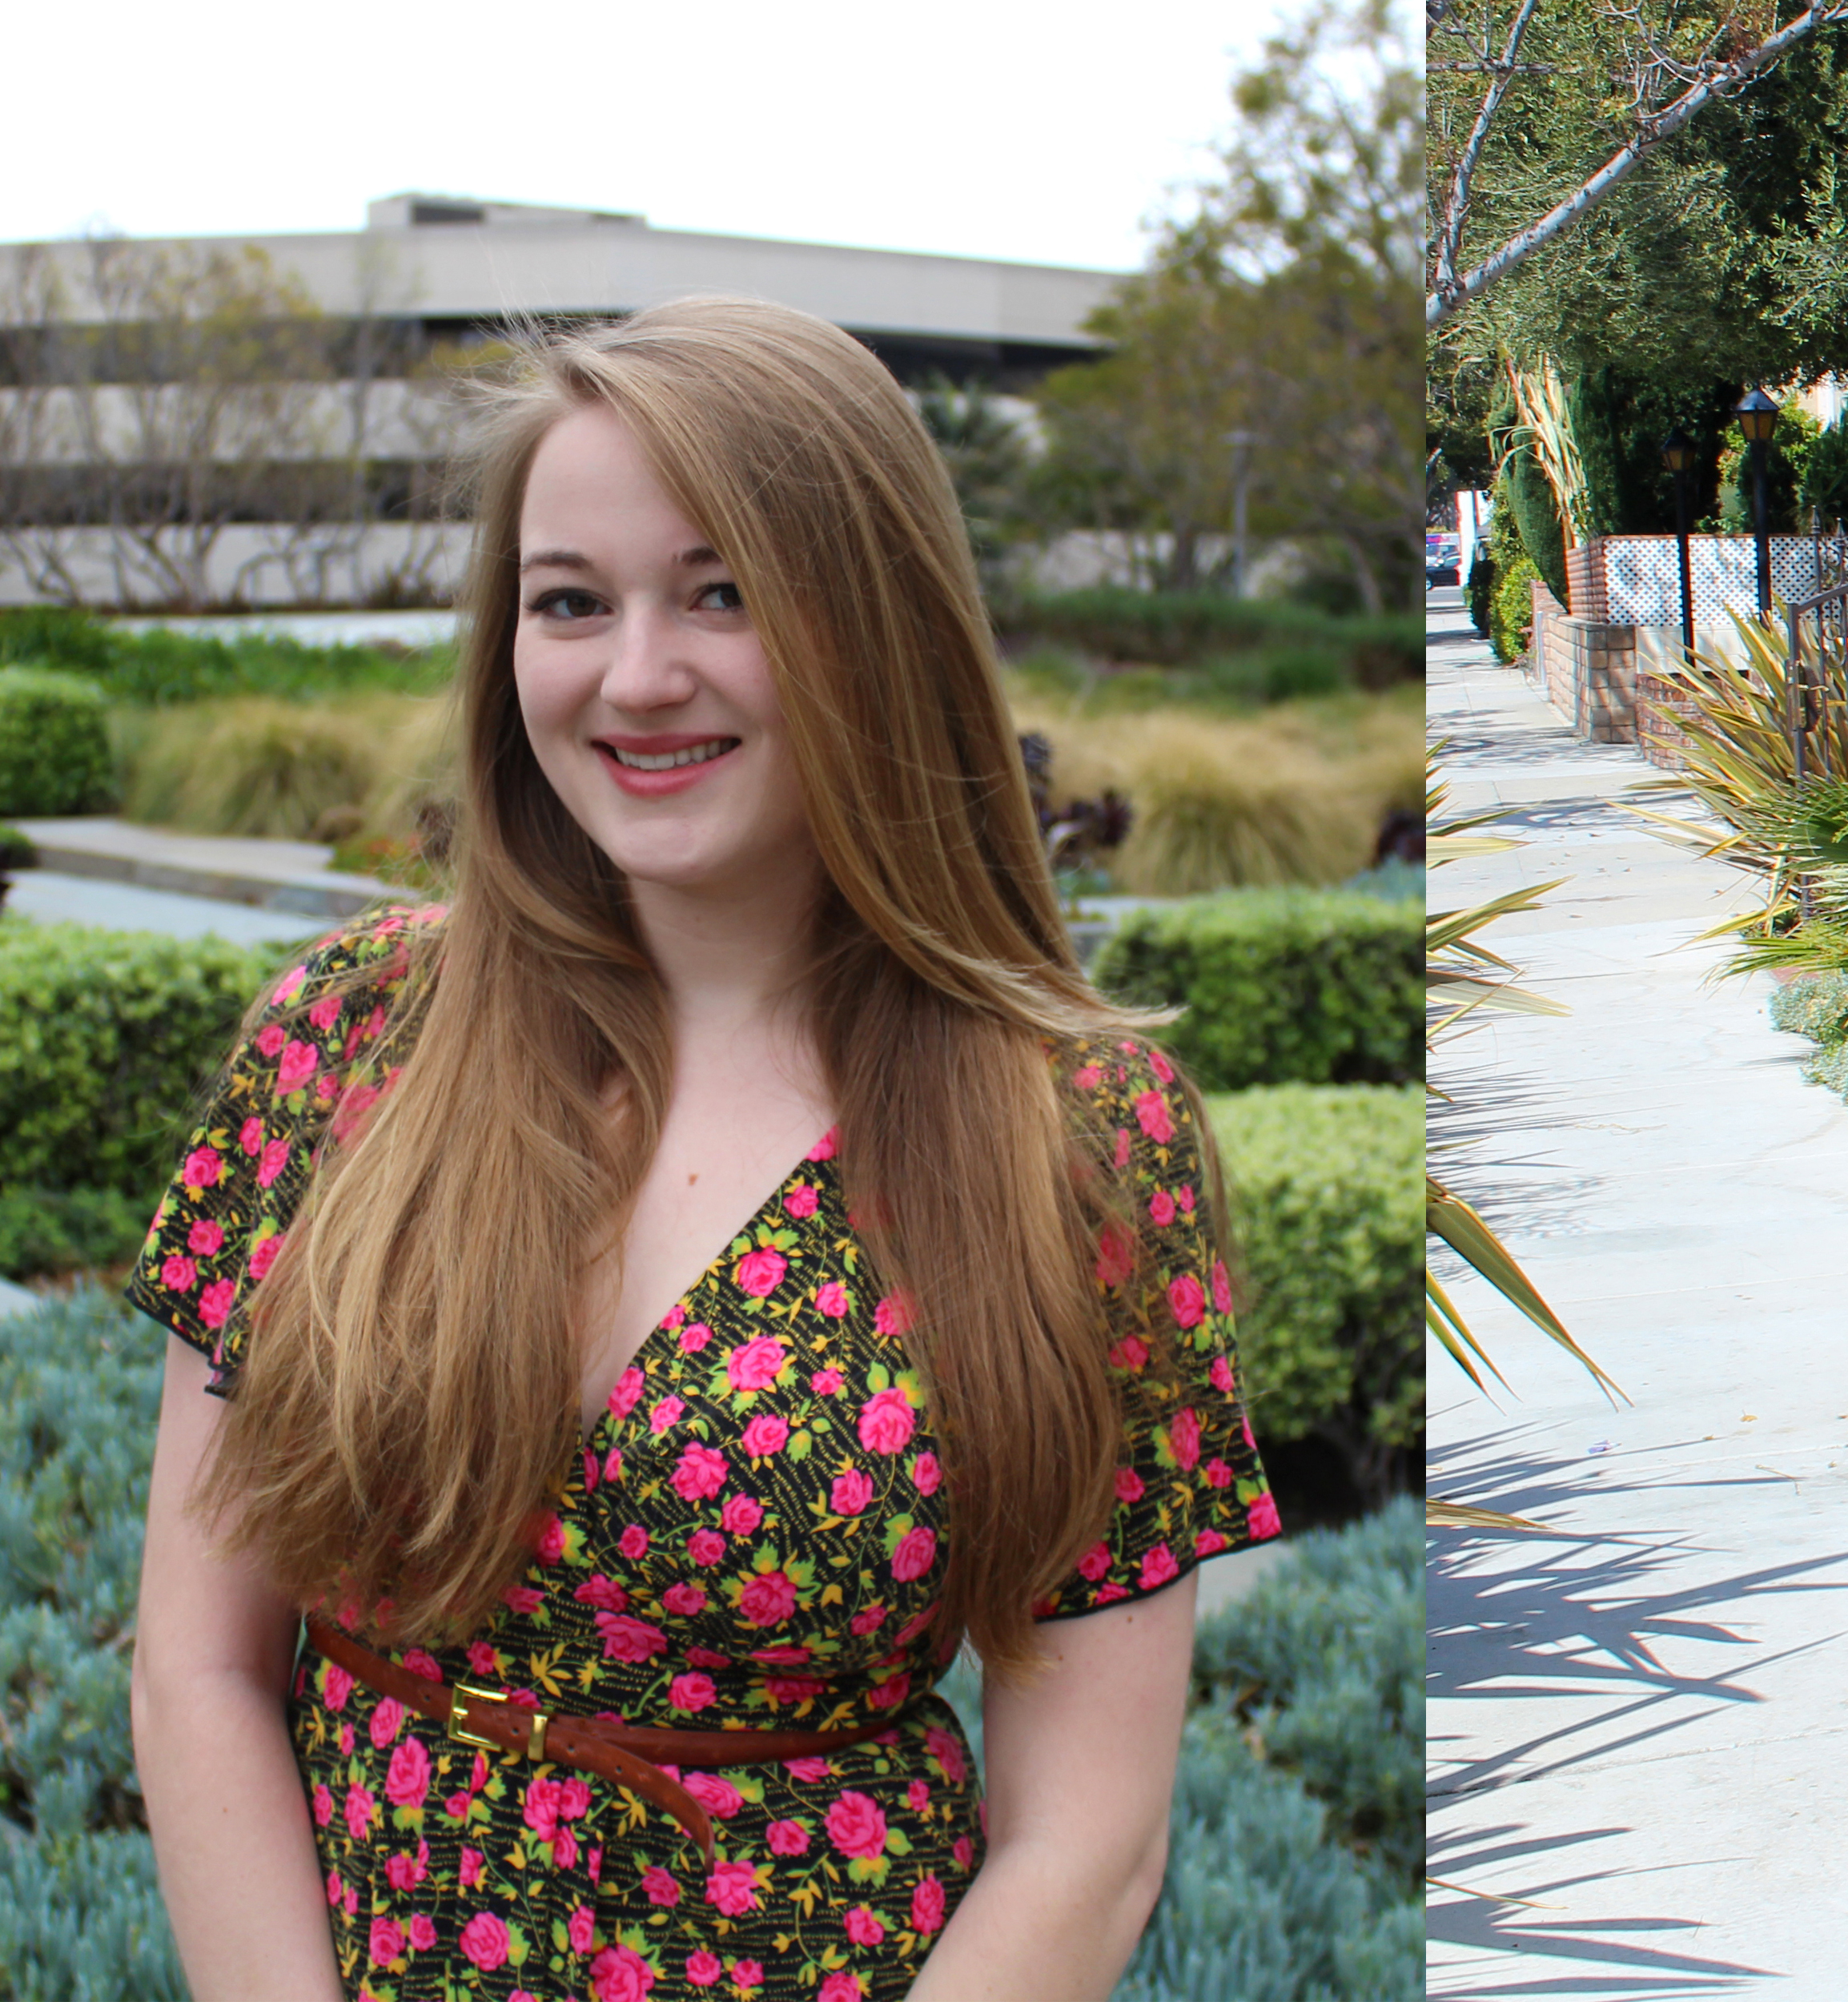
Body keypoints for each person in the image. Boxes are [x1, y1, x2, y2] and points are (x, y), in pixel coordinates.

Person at [127, 296, 1281, 2000]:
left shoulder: (1074, 1143)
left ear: (869, 622)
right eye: (570, 601)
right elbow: (198, 1667)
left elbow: (1086, 1844)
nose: (637, 671)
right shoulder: (346, 1038)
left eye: (722, 588)